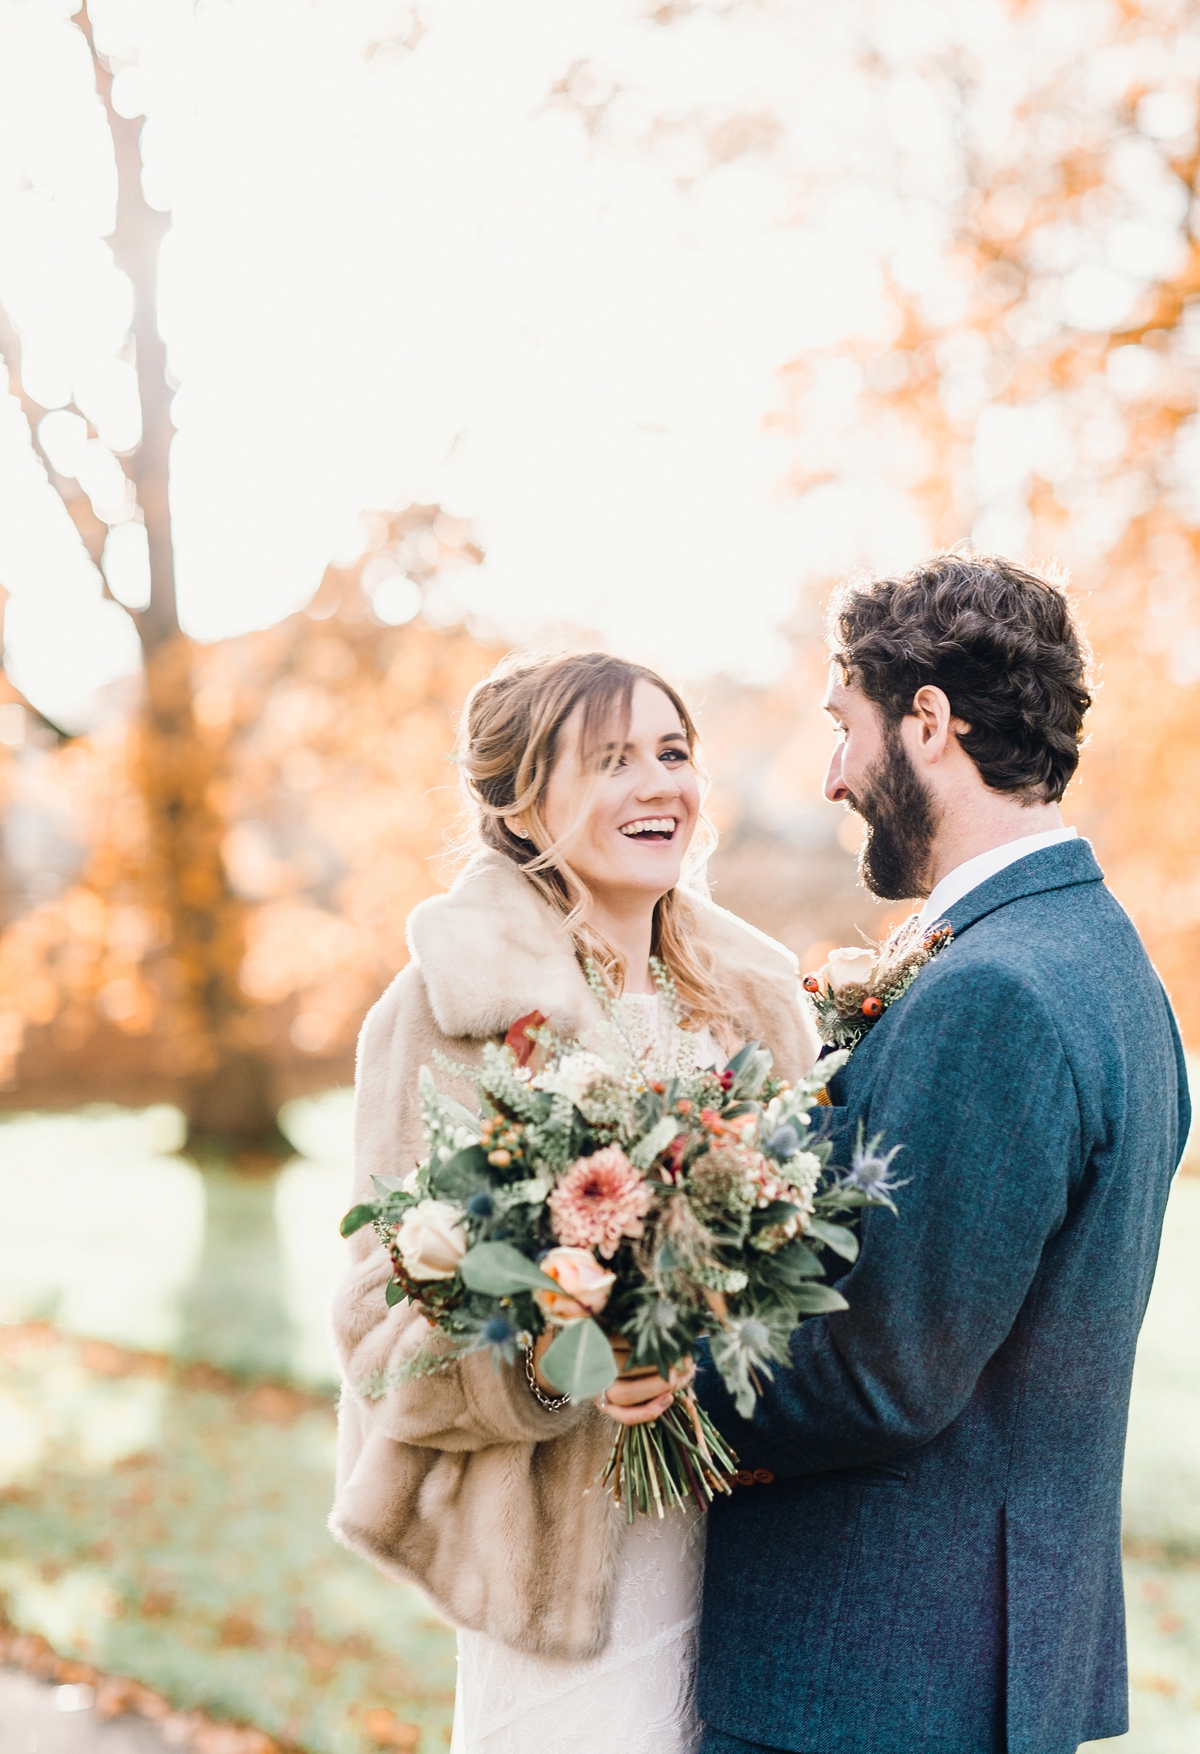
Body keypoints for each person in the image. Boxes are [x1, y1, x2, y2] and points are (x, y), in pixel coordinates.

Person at [692, 551, 1191, 1754]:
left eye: (841, 727)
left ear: (927, 722)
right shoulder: (1111, 965)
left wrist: (641, 1375)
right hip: (972, 1664)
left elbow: (884, 1371)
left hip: (872, 1678)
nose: (829, 778)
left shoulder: (997, 993)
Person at [329, 650, 818, 1754]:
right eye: (610, 760)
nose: (658, 786)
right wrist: (555, 1360)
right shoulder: (444, 1010)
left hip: (761, 1560)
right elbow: (378, 1326)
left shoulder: (763, 1002)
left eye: (674, 752)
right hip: (565, 1582)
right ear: (518, 802)